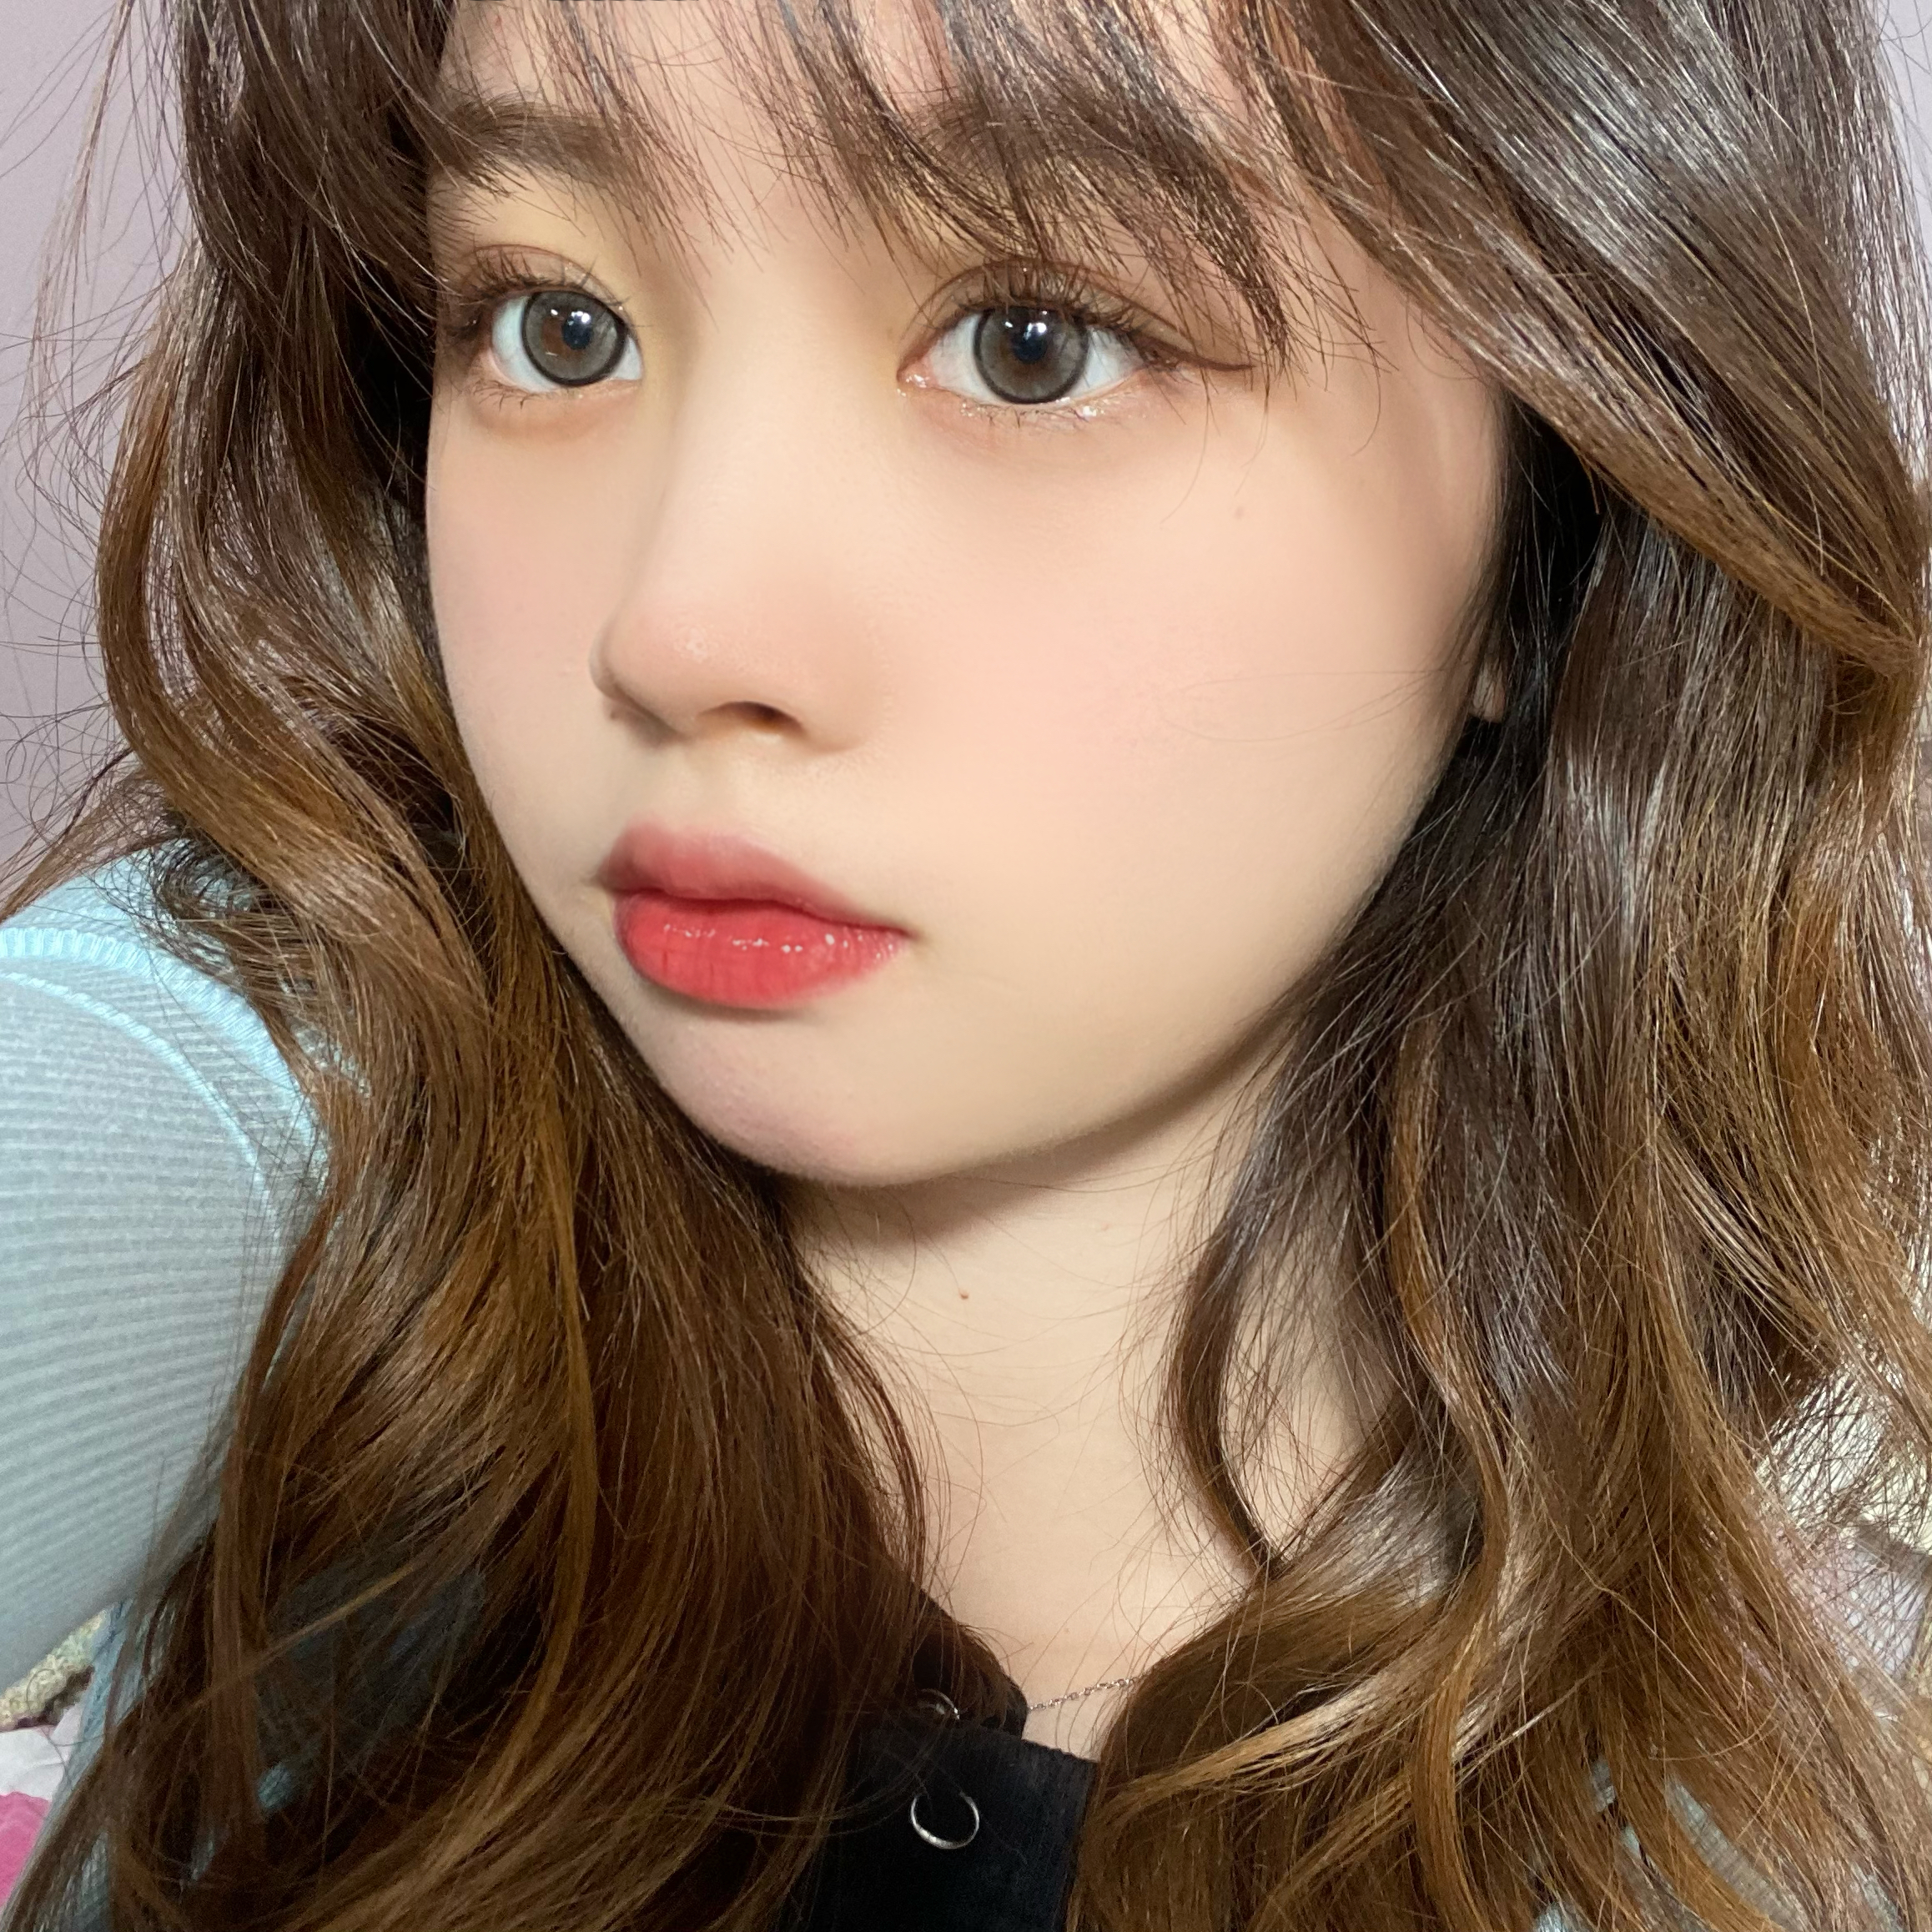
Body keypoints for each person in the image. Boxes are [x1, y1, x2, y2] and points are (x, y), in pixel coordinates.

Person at [4, 0, 1931, 1924]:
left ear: (1550, 512)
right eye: (557, 326)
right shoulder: (308, 1097)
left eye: (1035, 344)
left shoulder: (1840, 1690)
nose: (680, 629)